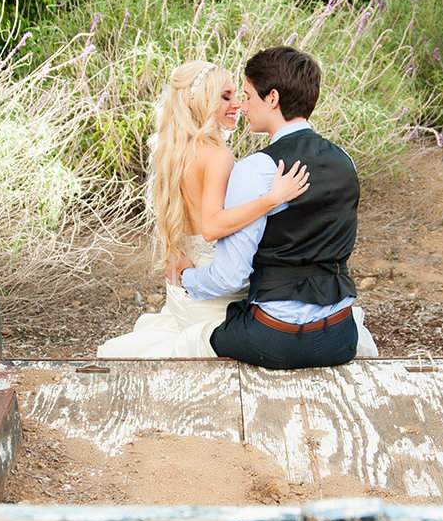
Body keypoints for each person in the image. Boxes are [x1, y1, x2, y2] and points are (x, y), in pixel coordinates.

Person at [174, 46, 377, 369]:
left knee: (190, 337)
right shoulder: (345, 161)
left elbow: (229, 278)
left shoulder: (256, 169)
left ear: (272, 98)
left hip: (275, 341)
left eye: (248, 95)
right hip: (340, 337)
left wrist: (187, 277)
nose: (244, 106)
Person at [97, 60, 309, 358]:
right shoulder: (217, 155)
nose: (237, 104)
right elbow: (213, 225)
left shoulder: (170, 151)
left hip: (180, 290)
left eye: (237, 95)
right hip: (213, 293)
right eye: (226, 97)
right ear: (198, 102)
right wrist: (272, 199)